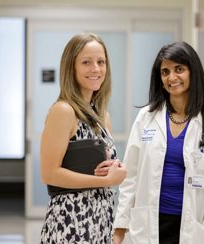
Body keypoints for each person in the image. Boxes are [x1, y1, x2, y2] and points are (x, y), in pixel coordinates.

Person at [113, 41, 204, 243]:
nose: (172, 77)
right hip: (149, 225)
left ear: (192, 72)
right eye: (165, 72)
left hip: (192, 228)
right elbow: (130, 178)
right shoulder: (146, 117)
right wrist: (119, 229)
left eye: (179, 69)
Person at [39, 33, 127, 243]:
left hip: (99, 221)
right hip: (71, 222)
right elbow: (49, 174)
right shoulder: (64, 110)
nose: (96, 69)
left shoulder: (102, 117)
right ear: (72, 68)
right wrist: (105, 181)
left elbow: (98, 166)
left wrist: (117, 168)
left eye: (101, 62)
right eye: (86, 62)